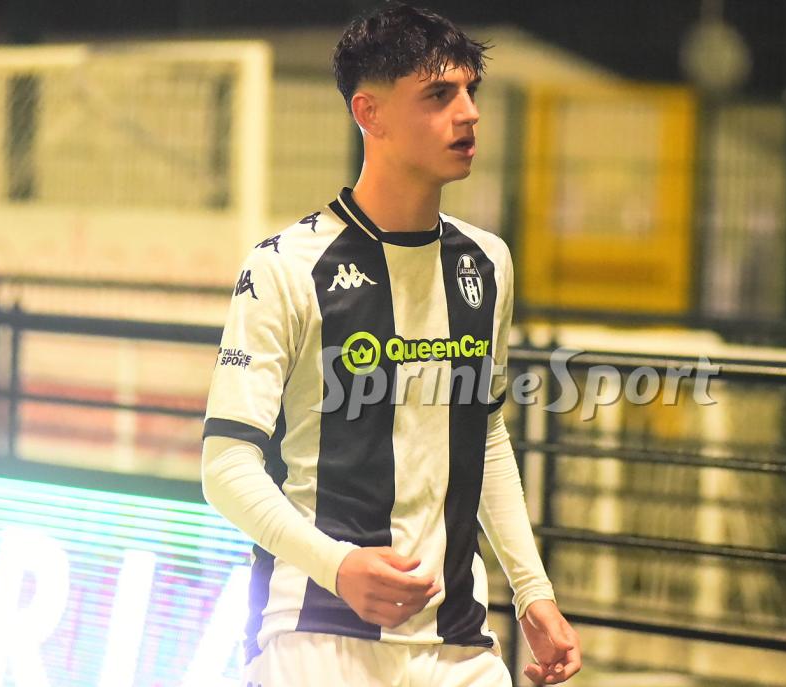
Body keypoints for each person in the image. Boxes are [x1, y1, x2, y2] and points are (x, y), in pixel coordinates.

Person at [201, 3, 581, 685]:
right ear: (369, 113)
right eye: (439, 95)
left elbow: (484, 432)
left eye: (470, 90)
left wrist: (534, 591)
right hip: (316, 632)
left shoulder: (487, 262)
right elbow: (226, 467)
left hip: (458, 641)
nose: (469, 113)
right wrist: (338, 566)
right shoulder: (284, 266)